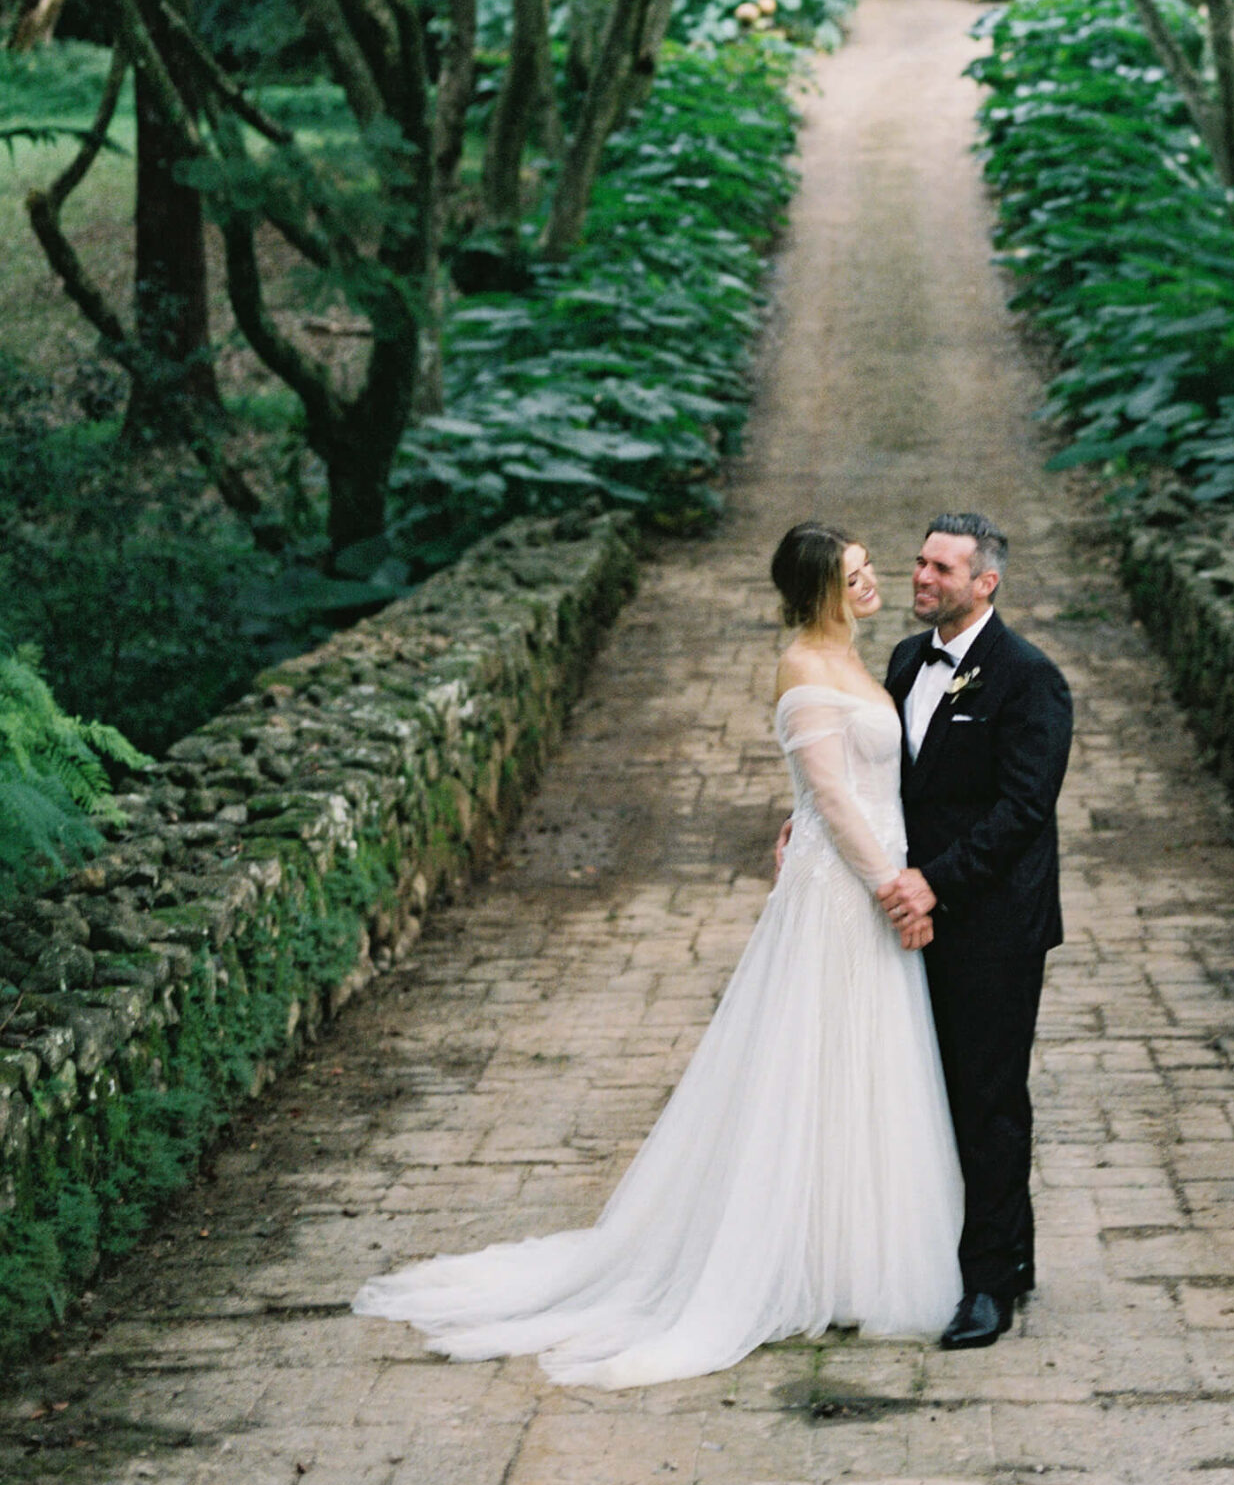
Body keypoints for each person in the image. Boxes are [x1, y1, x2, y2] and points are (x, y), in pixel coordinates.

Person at [350, 524, 962, 1387]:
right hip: (842, 894)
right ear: (821, 589)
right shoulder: (801, 668)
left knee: (867, 1067)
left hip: (864, 874)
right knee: (809, 1063)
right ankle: (782, 1255)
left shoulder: (875, 661)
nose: (873, 582)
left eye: (870, 570)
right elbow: (829, 791)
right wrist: (892, 887)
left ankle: (853, 1250)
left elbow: (855, 785)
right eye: (855, 575)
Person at [878, 512, 1074, 1351]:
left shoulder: (1030, 679)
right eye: (919, 562)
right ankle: (1004, 1254)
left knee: (987, 1100)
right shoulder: (901, 661)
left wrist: (936, 881)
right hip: (909, 920)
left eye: (941, 570)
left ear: (984, 583)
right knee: (929, 1090)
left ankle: (990, 1285)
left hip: (992, 925)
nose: (922, 578)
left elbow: (1023, 811)